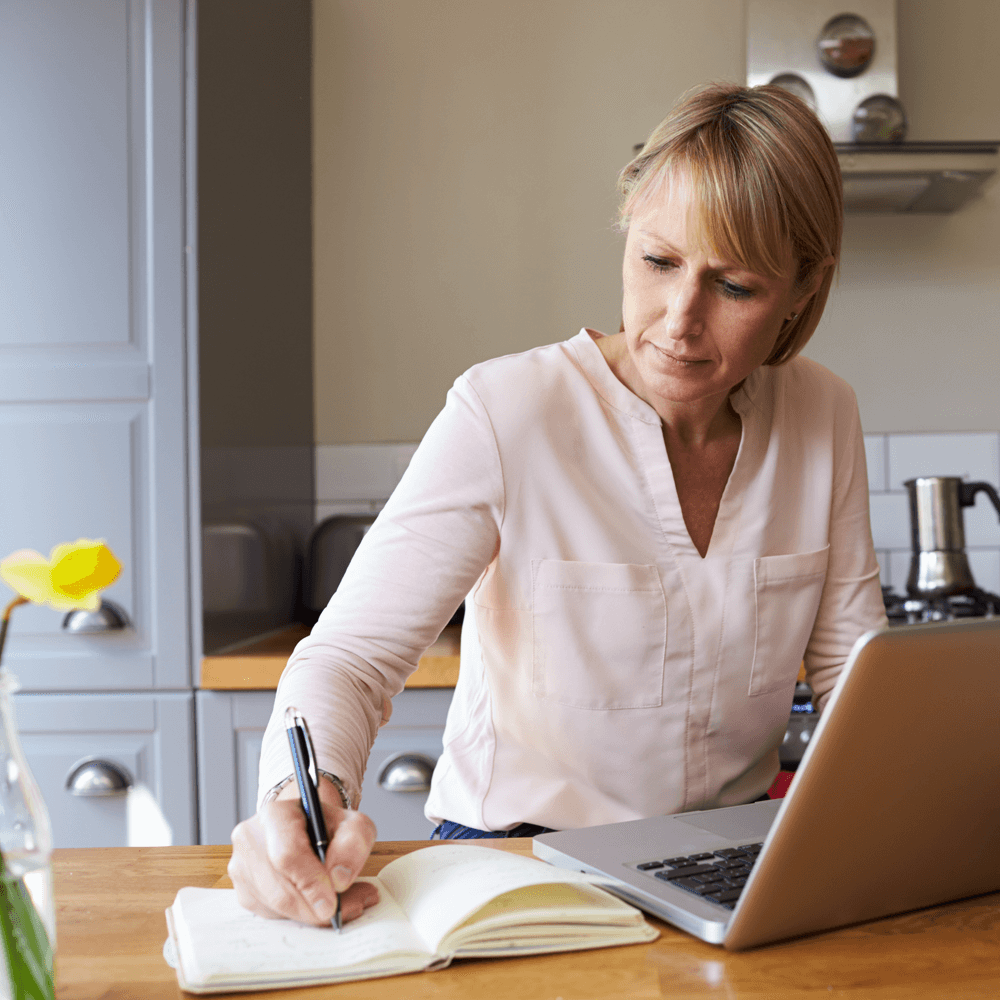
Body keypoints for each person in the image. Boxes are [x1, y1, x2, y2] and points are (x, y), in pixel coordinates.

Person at [228, 82, 887, 927]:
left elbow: (851, 682)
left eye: (735, 287)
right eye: (658, 263)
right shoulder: (506, 412)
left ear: (802, 289)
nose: (679, 319)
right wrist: (299, 795)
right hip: (518, 864)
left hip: (733, 869)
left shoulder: (823, 414)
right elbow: (350, 659)